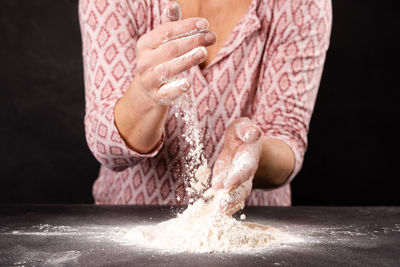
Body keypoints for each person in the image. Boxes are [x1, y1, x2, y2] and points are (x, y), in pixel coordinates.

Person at [78, 0, 332, 213]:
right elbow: (106, 148)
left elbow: (288, 140)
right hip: (127, 232)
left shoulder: (301, 4)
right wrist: (146, 96)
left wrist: (253, 153)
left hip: (251, 231)